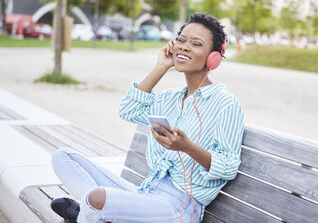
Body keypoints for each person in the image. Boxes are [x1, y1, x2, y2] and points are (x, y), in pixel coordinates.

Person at [50, 13, 245, 223]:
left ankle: (87, 214)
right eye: (181, 40)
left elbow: (228, 165)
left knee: (97, 197)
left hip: (178, 208)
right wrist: (161, 67)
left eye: (196, 44)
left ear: (213, 57)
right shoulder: (170, 98)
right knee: (63, 157)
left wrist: (188, 148)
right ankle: (94, 213)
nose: (185, 47)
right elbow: (128, 110)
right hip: (146, 193)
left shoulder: (225, 104)